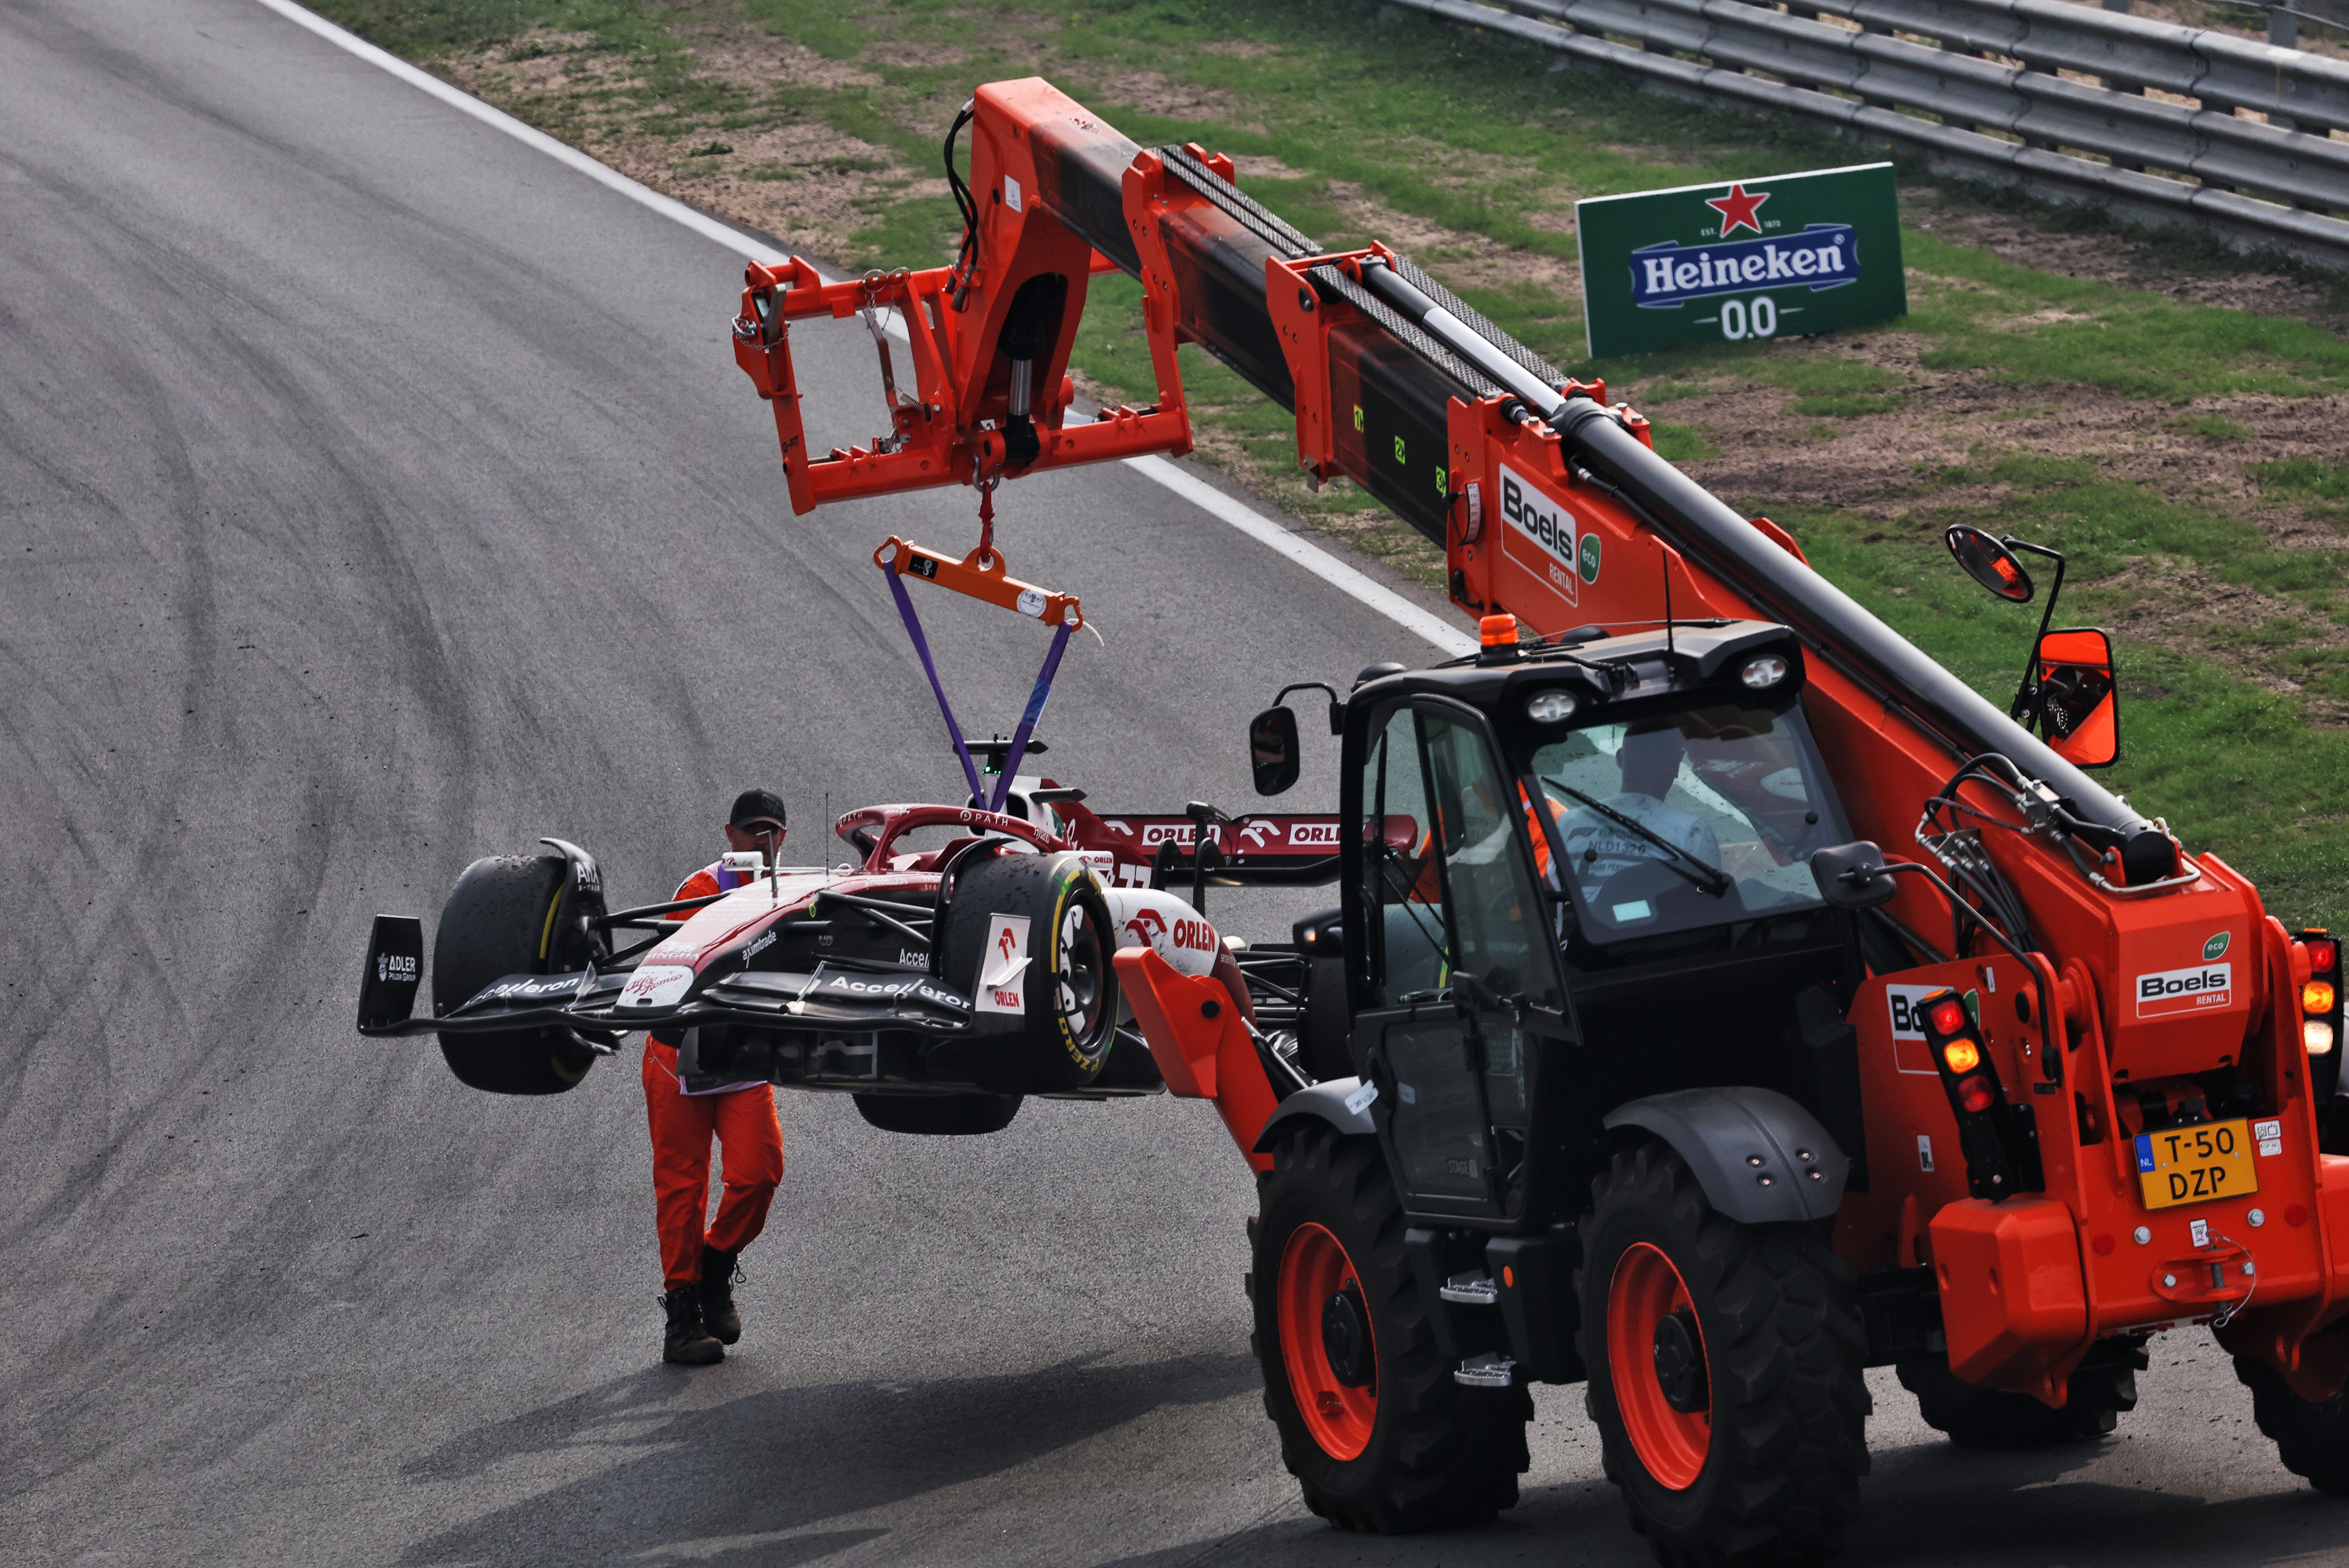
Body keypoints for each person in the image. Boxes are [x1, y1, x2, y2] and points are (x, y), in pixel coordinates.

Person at [644, 789, 790, 1366]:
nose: (763, 840)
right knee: (682, 1186)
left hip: (744, 1058)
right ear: (727, 834)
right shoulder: (700, 889)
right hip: (678, 1054)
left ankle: (716, 1266)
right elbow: (675, 965)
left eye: (773, 831)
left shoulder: (796, 891)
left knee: (760, 1172)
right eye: (752, 830)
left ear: (785, 836)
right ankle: (681, 1320)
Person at [1552, 724, 1720, 912]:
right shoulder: (1693, 832)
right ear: (1677, 763)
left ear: (1620, 759)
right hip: (1652, 938)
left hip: (1578, 938)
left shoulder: (1569, 824)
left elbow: (1551, 894)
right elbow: (1709, 908)